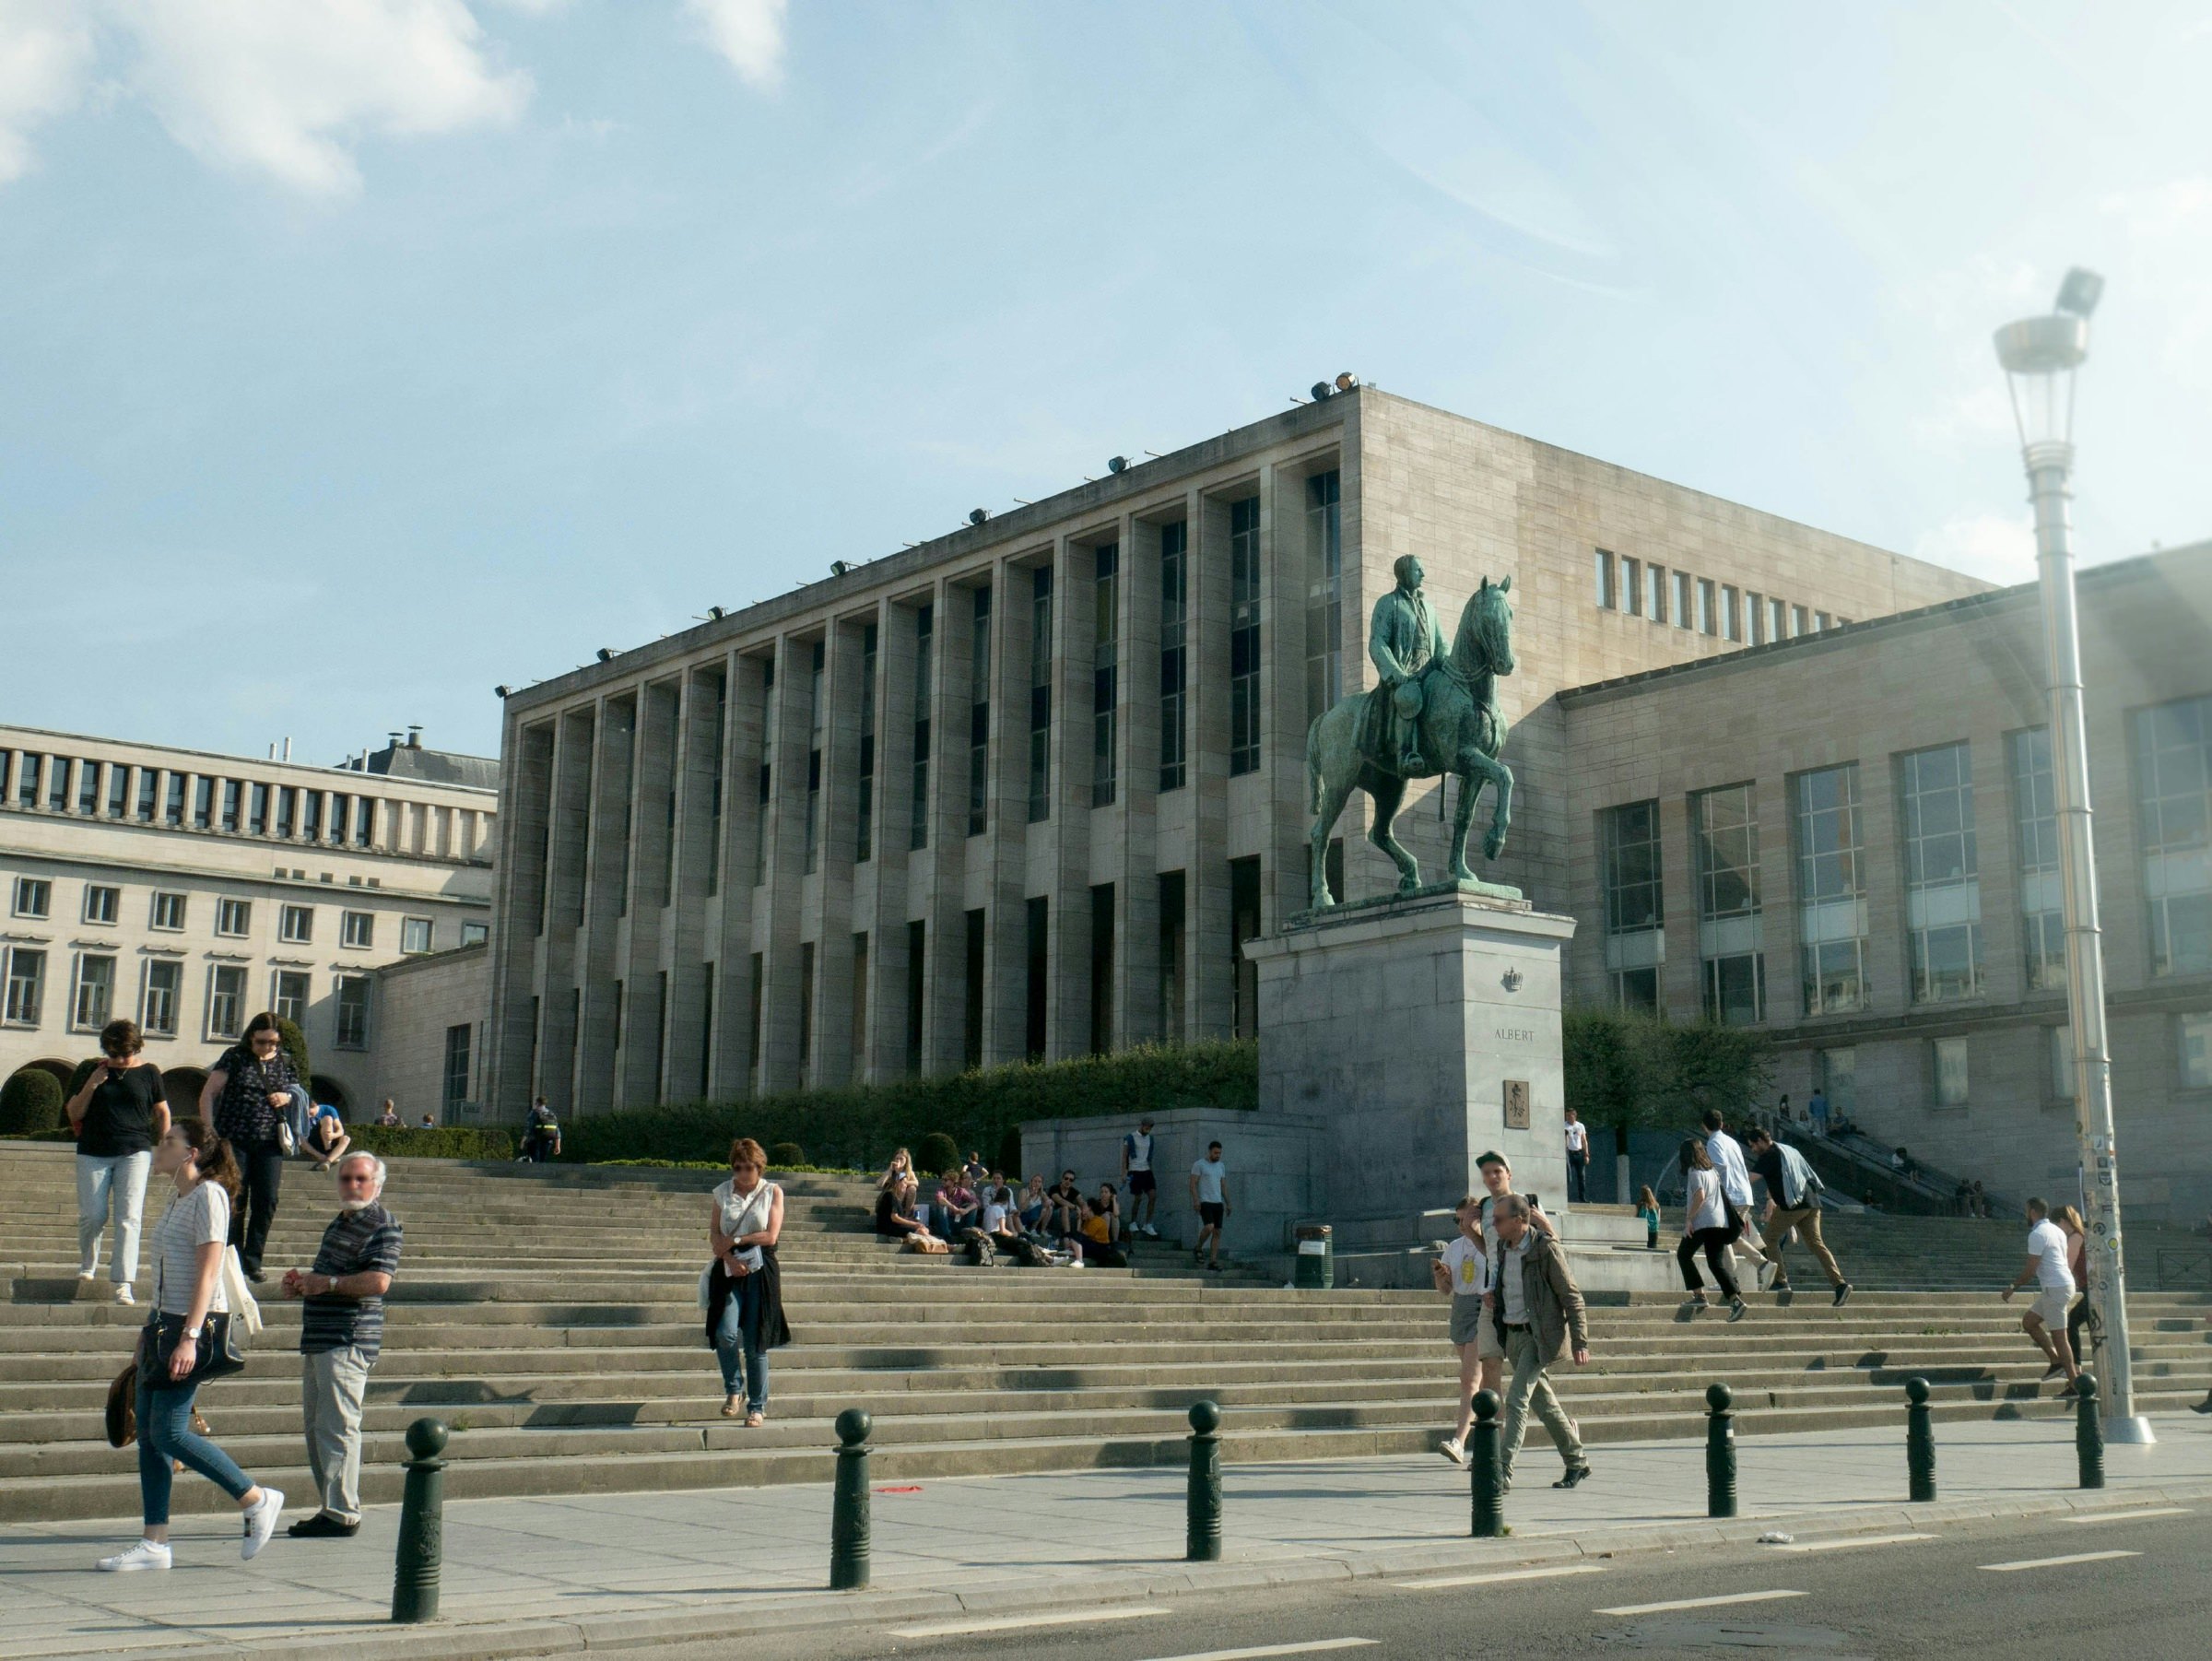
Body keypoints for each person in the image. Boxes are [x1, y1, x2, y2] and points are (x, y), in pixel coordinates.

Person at [96, 1118, 285, 1571]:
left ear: (191, 1153)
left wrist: (190, 1338)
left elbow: (207, 1272)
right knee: (149, 1436)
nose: (160, 1148)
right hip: (163, 1323)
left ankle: (255, 1497)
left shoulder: (209, 1195)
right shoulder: (176, 1196)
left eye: (169, 1142)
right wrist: (148, 1330)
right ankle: (154, 1542)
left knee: (171, 1431)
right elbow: (168, 1271)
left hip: (191, 1326)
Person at [280, 1151, 403, 1537]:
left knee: (338, 1428)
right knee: (318, 1429)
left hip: (348, 1339)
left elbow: (379, 1282)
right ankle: (330, 1506)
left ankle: (343, 1512)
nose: (352, 1185)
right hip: (320, 1338)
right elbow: (331, 1277)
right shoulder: (340, 1223)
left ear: (377, 1185)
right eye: (346, 1178)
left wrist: (327, 1284)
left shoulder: (382, 1224)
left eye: (360, 1179)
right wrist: (304, 1284)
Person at [1488, 1194, 1592, 1490]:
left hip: (1538, 1336)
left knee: (1517, 1399)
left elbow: (1572, 1297)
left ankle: (1502, 1471)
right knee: (1544, 1405)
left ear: (1519, 1220)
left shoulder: (1545, 1249)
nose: (1493, 1224)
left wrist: (1580, 1342)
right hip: (1512, 1335)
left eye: (1498, 1219)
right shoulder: (1503, 1247)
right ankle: (1577, 1461)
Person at [67, 1019, 170, 1305]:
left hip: (134, 1152)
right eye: (115, 1054)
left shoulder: (149, 1073)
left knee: (129, 1218)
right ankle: (88, 1264)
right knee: (93, 1215)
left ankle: (123, 1283)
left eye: (126, 1053)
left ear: (136, 1048)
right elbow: (73, 1112)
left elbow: (162, 1112)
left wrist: (164, 1149)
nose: (121, 1060)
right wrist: (92, 1085)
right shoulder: (92, 1070)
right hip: (93, 1151)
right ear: (107, 1049)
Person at [202, 1012, 303, 1284]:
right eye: (261, 1042)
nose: (267, 1047)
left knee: (267, 1199)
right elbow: (208, 1093)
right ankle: (232, 1258)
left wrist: (287, 1096)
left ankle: (253, 1259)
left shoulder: (286, 1061)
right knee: (235, 1197)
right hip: (234, 1138)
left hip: (270, 1141)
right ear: (250, 1036)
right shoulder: (235, 1057)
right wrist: (210, 1131)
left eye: (272, 1042)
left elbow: (301, 1096)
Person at [707, 1138, 790, 1425]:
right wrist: (730, 1257)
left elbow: (771, 1235)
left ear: (759, 1167)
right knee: (725, 1334)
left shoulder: (772, 1192)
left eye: (749, 1167)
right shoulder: (722, 1193)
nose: (743, 1173)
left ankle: (757, 1406)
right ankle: (734, 1389)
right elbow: (715, 1237)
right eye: (737, 1167)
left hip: (761, 1270)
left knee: (755, 1345)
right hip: (729, 1270)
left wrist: (740, 1240)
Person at [1472, 1150, 1559, 1398]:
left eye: (1497, 1171)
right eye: (1487, 1173)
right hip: (1493, 1293)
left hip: (1524, 1296)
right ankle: (1496, 1434)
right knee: (1490, 1364)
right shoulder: (1485, 1207)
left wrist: (1546, 1225)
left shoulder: (1526, 1204)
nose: (1492, 1176)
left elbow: (1553, 1246)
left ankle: (1564, 1425)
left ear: (1509, 1174)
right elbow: (1490, 1250)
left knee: (1532, 1377)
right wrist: (1469, 1231)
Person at [1743, 1125, 1850, 1305]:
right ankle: (1840, 1284)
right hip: (1811, 1201)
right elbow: (1786, 1176)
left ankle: (1781, 1281)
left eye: (1753, 1145)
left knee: (1769, 1239)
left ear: (1760, 1141)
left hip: (1793, 1206)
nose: (1752, 1150)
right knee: (1816, 1244)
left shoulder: (1769, 1155)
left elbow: (1749, 1179)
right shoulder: (1788, 1150)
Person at [1368, 553, 1447, 776]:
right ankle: (1405, 754)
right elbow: (1377, 642)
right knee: (1408, 697)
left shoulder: (1429, 608)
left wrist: (1447, 661)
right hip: (1405, 672)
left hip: (1430, 671)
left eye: (1422, 569)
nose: (1423, 574)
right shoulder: (1388, 603)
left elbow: (1442, 644)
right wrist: (1396, 673)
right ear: (1403, 573)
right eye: (1417, 570)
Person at [1432, 1196, 1490, 1467]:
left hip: (1484, 1307)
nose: (1460, 1224)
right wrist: (1441, 1279)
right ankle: (1491, 1434)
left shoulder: (1489, 1242)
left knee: (1469, 1378)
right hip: (1461, 1307)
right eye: (1456, 1219)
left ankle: (1459, 1441)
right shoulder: (1454, 1248)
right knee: (1483, 1385)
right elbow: (1446, 1290)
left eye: (1464, 1218)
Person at [2001, 1196, 2078, 1390]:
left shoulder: (2037, 1234)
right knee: (2029, 1322)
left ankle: (2075, 1383)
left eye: (2027, 1210)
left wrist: (2013, 1287)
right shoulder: (2056, 1230)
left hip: (2055, 1288)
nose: (2026, 1214)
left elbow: (2030, 1269)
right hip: (2061, 1285)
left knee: (2060, 1338)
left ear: (2033, 1211)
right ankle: (2055, 1360)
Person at [1677, 1137, 1746, 1320]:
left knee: (1683, 1254)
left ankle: (1699, 1295)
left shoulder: (1694, 1172)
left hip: (1702, 1223)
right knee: (1716, 1263)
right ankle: (1735, 1300)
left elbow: (1700, 1196)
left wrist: (1689, 1219)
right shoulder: (1712, 1171)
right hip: (1719, 1222)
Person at [1700, 1108, 1763, 1278]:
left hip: (1730, 1196)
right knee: (1728, 1236)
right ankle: (1732, 1278)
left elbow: (1720, 1166)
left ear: (1703, 1126)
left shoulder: (1713, 1143)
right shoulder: (1731, 1141)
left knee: (1724, 1235)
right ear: (1721, 1123)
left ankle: (1760, 1265)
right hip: (1743, 1193)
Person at [2053, 1204, 2095, 1380]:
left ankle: (2076, 1368)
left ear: (2063, 1221)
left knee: (2071, 1323)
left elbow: (2067, 1267)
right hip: (2090, 1289)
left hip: (2092, 1290)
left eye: (2056, 1225)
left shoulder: (2075, 1237)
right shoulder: (2080, 1235)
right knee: (2076, 1322)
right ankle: (2076, 1369)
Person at [1190, 1140, 1230, 1272]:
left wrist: (1228, 1202)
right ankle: (1198, 1247)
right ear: (1210, 1151)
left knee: (1217, 1232)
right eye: (1215, 1153)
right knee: (1209, 1226)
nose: (1218, 1155)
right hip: (1205, 1201)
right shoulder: (1199, 1164)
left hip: (1218, 1202)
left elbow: (1223, 1185)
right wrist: (1196, 1200)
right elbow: (1193, 1184)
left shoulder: (1221, 1166)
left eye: (1220, 1153)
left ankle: (1213, 1261)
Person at [1121, 1117, 1159, 1238]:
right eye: (1146, 1127)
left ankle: (1148, 1224)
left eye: (1150, 1128)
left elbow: (1150, 1156)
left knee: (1153, 1196)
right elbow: (1125, 1156)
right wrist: (1124, 1172)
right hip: (1135, 1170)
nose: (1148, 1130)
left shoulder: (1150, 1139)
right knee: (1138, 1198)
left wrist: (1151, 1171)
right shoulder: (1130, 1137)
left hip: (1147, 1170)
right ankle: (1133, 1221)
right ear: (1142, 1125)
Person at [873, 1173, 937, 1244]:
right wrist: (914, 1224)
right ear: (897, 1183)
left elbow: (897, 1218)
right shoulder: (890, 1195)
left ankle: (904, 1240)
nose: (906, 1185)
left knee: (925, 1229)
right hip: (887, 1228)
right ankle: (940, 1244)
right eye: (904, 1183)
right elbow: (894, 1218)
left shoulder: (895, 1197)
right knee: (921, 1231)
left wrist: (912, 1220)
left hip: (894, 1226)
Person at [302, 1104, 349, 1173]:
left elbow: (341, 1130)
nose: (309, 1116)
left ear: (316, 1107)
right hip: (314, 1141)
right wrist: (318, 1155)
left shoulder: (328, 1110)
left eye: (311, 1113)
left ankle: (328, 1161)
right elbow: (302, 1141)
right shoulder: (301, 1116)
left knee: (346, 1138)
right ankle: (329, 1153)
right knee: (327, 1119)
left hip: (329, 1137)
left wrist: (333, 1135)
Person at [934, 1170, 979, 1241]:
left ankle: (967, 1234)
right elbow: (940, 1198)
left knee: (973, 1208)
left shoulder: (961, 1191)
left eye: (945, 1180)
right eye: (943, 1179)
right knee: (942, 1205)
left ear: (953, 1181)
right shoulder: (941, 1189)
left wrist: (966, 1210)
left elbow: (976, 1202)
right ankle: (947, 1236)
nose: (943, 1181)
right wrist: (953, 1207)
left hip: (956, 1221)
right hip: (943, 1222)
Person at [1562, 1107, 1591, 1204]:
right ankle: (1564, 1198)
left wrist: (1586, 1154)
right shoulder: (1564, 1125)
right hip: (1568, 1153)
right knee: (1568, 1176)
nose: (1569, 1117)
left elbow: (1584, 1140)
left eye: (1571, 1115)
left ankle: (1582, 1198)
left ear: (1575, 1115)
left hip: (1579, 1153)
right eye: (1567, 1115)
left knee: (1581, 1176)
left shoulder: (1580, 1126)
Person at [1044, 1169, 1085, 1236]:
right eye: (1066, 1178)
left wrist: (1083, 1209)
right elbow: (1060, 1200)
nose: (1068, 1181)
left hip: (1067, 1216)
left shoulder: (1074, 1191)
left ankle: (1078, 1235)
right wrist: (1075, 1207)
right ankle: (1067, 1234)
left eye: (1071, 1180)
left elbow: (1082, 1201)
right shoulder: (1054, 1188)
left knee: (1080, 1211)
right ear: (1062, 1179)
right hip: (1052, 1216)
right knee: (1065, 1207)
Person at [521, 1097, 561, 1162]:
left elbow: (528, 1128)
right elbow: (557, 1131)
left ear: (537, 1103)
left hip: (534, 1140)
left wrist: (523, 1141)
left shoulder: (533, 1113)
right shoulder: (551, 1114)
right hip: (548, 1140)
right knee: (543, 1161)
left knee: (535, 1159)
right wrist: (558, 1146)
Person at [1636, 1185, 1661, 1251]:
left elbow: (1636, 1217)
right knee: (1653, 1249)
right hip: (1654, 1231)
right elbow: (1658, 1219)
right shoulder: (1656, 1205)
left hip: (1643, 1230)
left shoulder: (1640, 1204)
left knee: (1642, 1250)